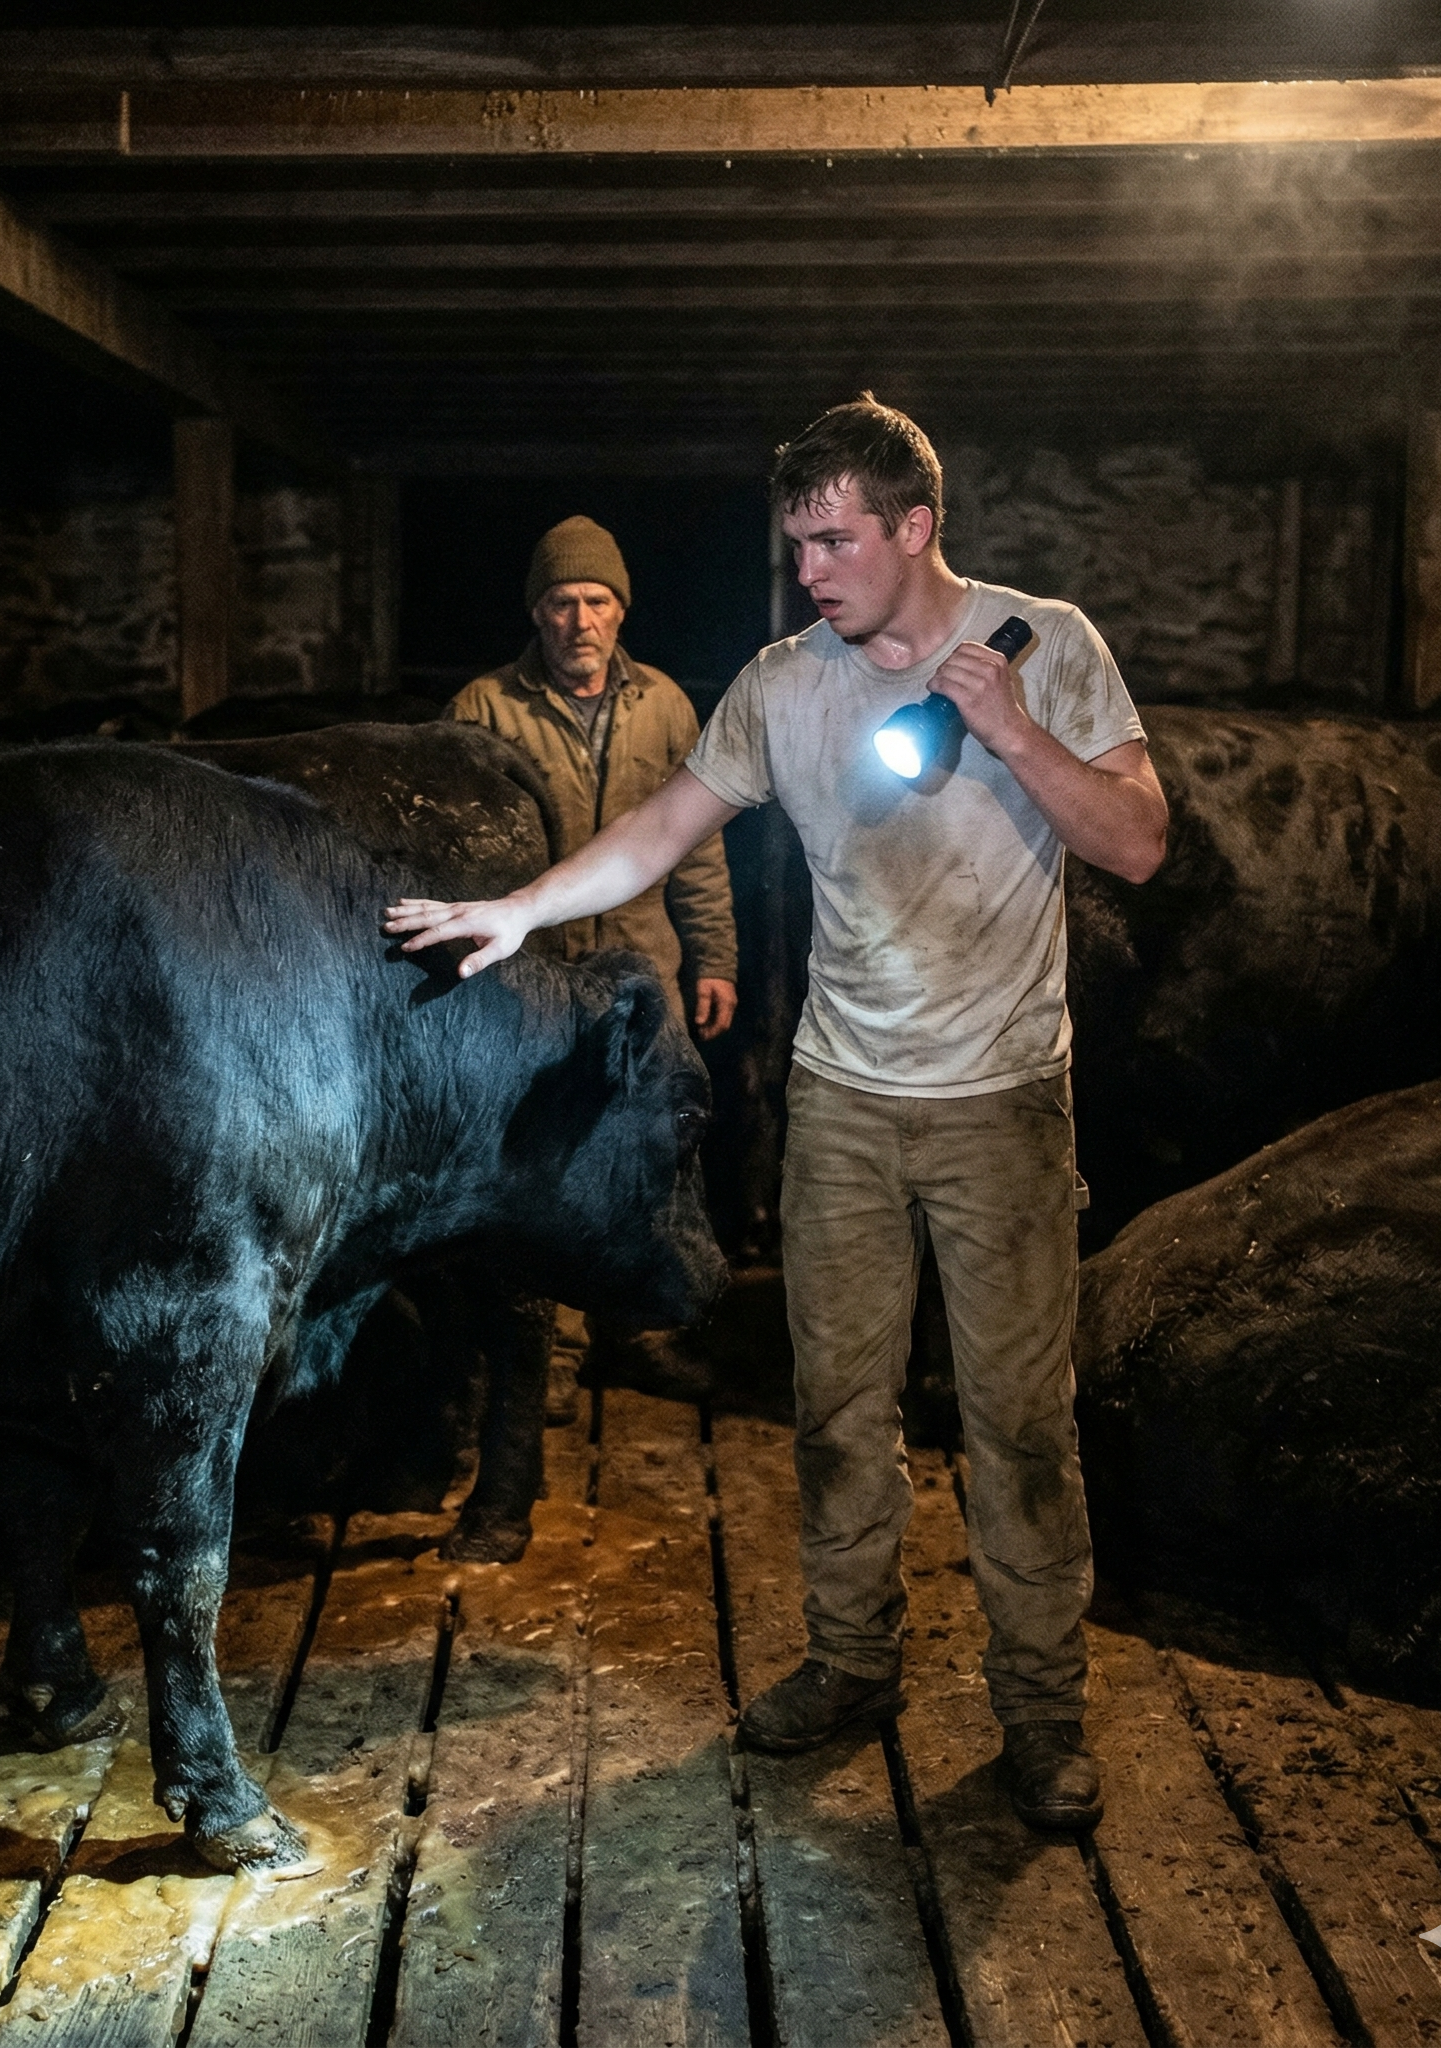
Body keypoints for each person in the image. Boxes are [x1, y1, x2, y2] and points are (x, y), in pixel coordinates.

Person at [387, 398, 1167, 1834]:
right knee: (836, 1411)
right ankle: (854, 1661)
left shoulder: (1044, 645)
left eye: (833, 541)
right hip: (844, 1103)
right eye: (794, 543)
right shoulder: (781, 682)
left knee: (1016, 1425)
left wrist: (1010, 732)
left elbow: (1137, 839)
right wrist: (519, 908)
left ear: (914, 526)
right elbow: (666, 826)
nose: (806, 570)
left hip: (1000, 1103)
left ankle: (1041, 1715)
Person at [449, 514, 739, 1418]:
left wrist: (715, 958)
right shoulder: (482, 710)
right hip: (533, 980)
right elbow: (455, 852)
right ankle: (554, 1353)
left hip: (644, 971)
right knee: (542, 1158)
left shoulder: (666, 705)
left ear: (621, 610)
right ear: (536, 613)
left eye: (597, 601)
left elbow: (697, 847)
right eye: (562, 602)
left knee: (648, 1150)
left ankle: (638, 1332)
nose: (580, 620)